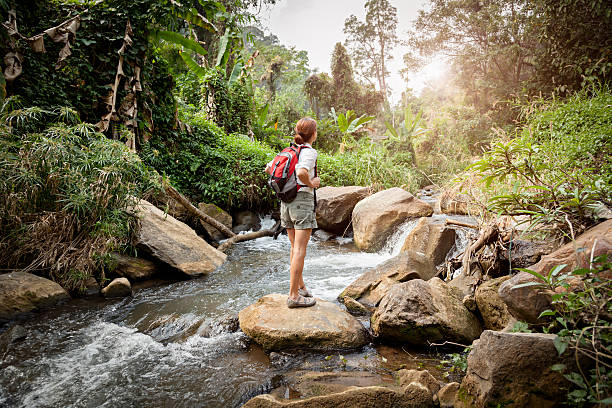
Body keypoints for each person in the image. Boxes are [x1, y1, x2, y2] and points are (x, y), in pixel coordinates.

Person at [266, 117, 320, 308]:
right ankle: (293, 296)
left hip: (286, 203)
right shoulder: (309, 152)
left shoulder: (288, 150)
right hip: (301, 202)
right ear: (313, 134)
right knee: (299, 250)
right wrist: (312, 183)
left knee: (293, 248)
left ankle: (301, 287)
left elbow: (268, 168)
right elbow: (302, 173)